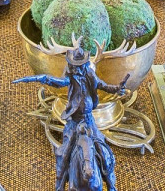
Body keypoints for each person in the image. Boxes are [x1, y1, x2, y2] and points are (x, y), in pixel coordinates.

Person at [14, 46, 124, 191]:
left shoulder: (89, 74)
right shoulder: (70, 76)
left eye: (80, 65)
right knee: (64, 154)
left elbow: (102, 85)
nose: (77, 68)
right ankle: (59, 185)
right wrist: (39, 78)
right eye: (75, 65)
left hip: (89, 120)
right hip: (74, 121)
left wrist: (117, 88)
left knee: (103, 152)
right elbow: (58, 82)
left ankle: (111, 185)